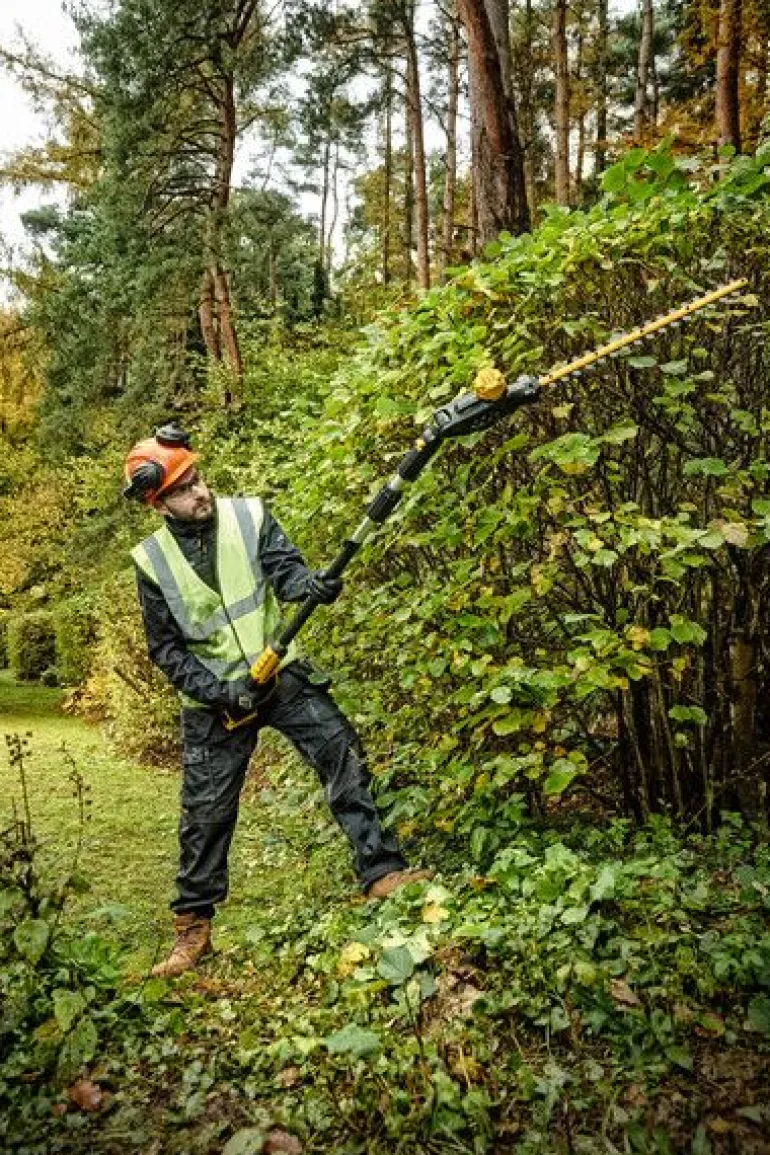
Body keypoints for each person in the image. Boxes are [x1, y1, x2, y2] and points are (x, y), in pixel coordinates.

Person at [123, 424, 430, 978]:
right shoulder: (151, 561)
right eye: (185, 488)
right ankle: (193, 931)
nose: (201, 492)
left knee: (341, 753)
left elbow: (284, 570)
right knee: (206, 815)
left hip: (279, 676)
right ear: (158, 501)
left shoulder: (249, 517)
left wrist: (308, 585)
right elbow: (165, 649)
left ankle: (382, 873)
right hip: (215, 703)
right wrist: (220, 693)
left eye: (199, 478)